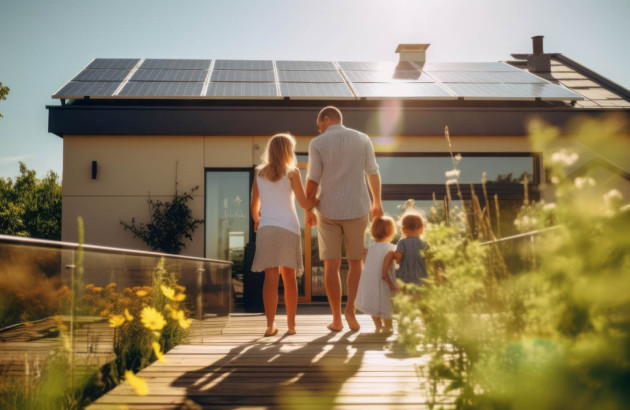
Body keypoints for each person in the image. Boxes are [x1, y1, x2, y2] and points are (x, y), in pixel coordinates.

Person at [305, 106, 383, 332]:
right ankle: (350, 310)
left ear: (326, 119)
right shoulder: (362, 138)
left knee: (331, 263)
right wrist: (376, 202)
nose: (318, 128)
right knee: (356, 261)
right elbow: (373, 172)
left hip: (327, 209)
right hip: (358, 208)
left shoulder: (317, 143)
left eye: (319, 123)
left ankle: (336, 319)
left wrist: (308, 209)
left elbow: (313, 180)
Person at [250, 133, 318, 336]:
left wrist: (257, 221)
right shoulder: (293, 173)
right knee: (289, 278)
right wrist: (318, 199)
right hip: (289, 227)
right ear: (289, 151)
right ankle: (291, 326)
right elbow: (304, 203)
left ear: (271, 150)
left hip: (267, 228)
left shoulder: (259, 173)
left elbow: (254, 205)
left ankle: (270, 326)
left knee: (270, 277)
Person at [355, 216, 397, 332]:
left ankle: (378, 325)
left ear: (373, 232)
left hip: (370, 281)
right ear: (391, 232)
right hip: (385, 280)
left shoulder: (370, 249)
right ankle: (388, 326)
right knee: (386, 303)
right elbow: (396, 264)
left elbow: (365, 263)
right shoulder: (392, 247)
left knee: (373, 304)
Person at [382, 211, 429, 287]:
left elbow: (398, 258)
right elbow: (429, 262)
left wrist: (391, 254)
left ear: (402, 230)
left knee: (406, 297)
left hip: (405, 278)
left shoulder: (402, 243)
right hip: (422, 278)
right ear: (422, 229)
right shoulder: (425, 244)